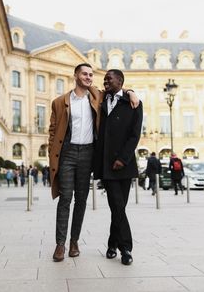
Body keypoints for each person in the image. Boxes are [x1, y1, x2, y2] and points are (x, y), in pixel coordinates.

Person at [48, 63, 139, 262]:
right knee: (65, 199)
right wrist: (51, 154)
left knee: (81, 200)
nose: (89, 77)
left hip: (89, 153)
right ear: (75, 75)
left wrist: (131, 92)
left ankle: (74, 241)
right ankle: (60, 244)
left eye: (91, 74)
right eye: (84, 74)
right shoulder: (60, 102)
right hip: (68, 153)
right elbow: (53, 132)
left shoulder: (98, 96)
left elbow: (118, 90)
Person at [94, 69, 143, 265]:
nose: (105, 82)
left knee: (119, 207)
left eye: (109, 79)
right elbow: (88, 86)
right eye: (104, 79)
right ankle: (126, 249)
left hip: (124, 164)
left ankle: (112, 244)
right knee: (117, 205)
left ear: (120, 81)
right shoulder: (101, 99)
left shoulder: (133, 103)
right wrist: (129, 89)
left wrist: (123, 158)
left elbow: (135, 134)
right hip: (106, 165)